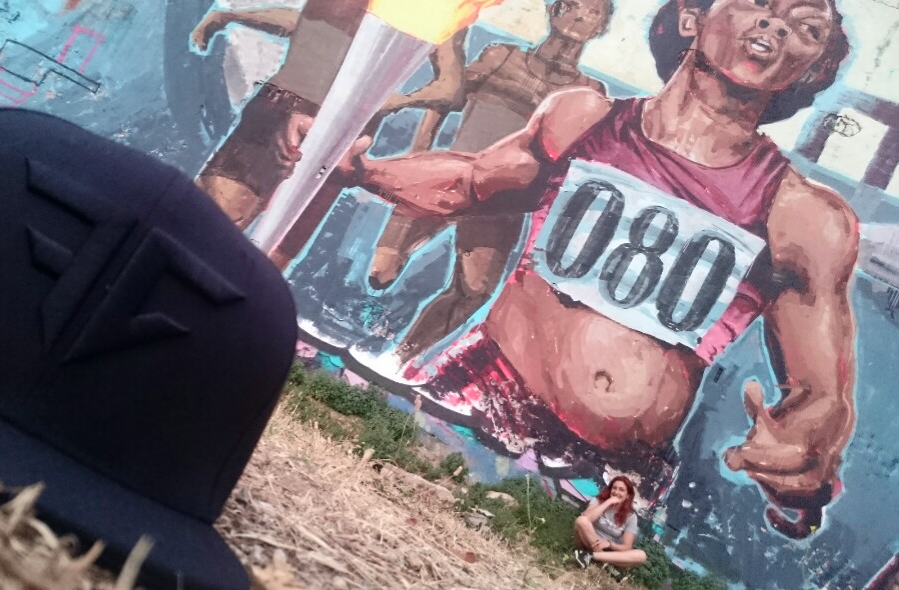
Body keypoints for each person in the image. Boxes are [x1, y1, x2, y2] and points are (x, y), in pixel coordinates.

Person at [286, 0, 857, 538]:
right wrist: (363, 171)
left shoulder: (805, 218)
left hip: (612, 471)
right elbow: (472, 181)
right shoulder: (582, 118)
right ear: (691, 17)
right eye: (759, 3)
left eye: (807, 27)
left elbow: (821, 395)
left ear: (812, 69)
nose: (777, 26)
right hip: (482, 392)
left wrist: (802, 456)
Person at [363, 0, 613, 365]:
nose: (579, 15)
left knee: (475, 290)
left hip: (503, 204)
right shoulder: (501, 56)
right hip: (446, 179)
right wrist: (418, 157)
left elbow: (578, 166)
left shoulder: (589, 91)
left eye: (593, 12)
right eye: (572, 4)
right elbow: (445, 99)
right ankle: (364, 336)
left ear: (601, 27)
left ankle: (398, 358)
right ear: (553, 10)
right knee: (380, 272)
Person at [190, 1, 460, 270]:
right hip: (281, 104)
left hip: (341, 133)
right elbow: (306, 23)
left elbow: (450, 87)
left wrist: (395, 101)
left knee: (275, 251)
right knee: (209, 219)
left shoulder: (436, 10)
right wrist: (231, 16)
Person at [572, 475, 647, 578]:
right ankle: (606, 565)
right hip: (589, 541)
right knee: (581, 521)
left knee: (641, 556)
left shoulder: (631, 517)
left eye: (621, 490)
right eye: (614, 488)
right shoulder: (598, 500)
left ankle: (591, 556)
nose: (616, 492)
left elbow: (626, 547)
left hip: (609, 550)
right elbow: (586, 518)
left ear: (628, 495)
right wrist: (608, 502)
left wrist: (609, 544)